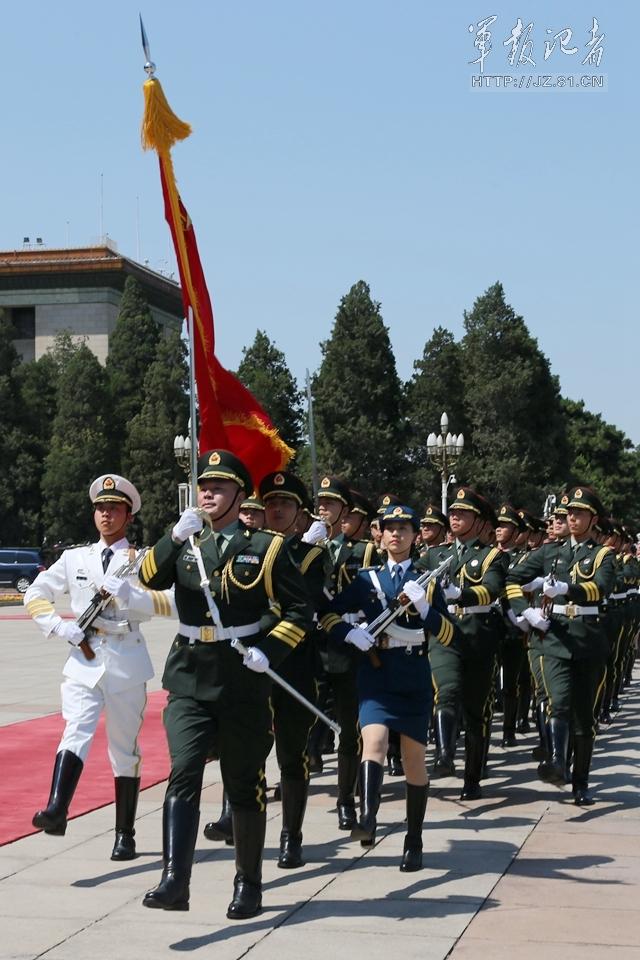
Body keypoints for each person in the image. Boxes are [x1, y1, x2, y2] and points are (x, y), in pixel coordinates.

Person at [139, 449, 312, 919]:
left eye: (219, 486)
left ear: (240, 495)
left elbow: (300, 612)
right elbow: (147, 576)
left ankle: (248, 884)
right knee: (184, 771)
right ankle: (176, 880)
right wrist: (172, 538)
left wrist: (270, 651)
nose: (208, 493)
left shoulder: (266, 548)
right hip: (190, 674)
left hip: (241, 679)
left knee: (243, 783)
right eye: (204, 486)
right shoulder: (186, 542)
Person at [24, 475, 175, 860]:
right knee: (75, 730)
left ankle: (125, 833)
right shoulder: (75, 558)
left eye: (114, 508)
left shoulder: (141, 560)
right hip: (84, 658)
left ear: (128, 515)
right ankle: (57, 809)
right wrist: (59, 625)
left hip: (126, 657)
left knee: (124, 749)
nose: (105, 514)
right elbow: (36, 593)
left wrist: (134, 596)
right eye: (100, 508)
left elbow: (172, 603)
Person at [320, 504, 454, 871]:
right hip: (375, 673)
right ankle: (368, 817)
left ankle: (414, 839)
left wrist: (427, 609)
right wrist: (351, 633)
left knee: (413, 762)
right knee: (373, 741)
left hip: (411, 674)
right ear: (380, 535)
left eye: (404, 528)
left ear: (414, 536)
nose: (396, 534)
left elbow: (448, 633)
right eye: (390, 528)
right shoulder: (366, 579)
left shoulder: (427, 580)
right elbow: (329, 612)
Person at [506, 485, 616, 804]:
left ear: (593, 518)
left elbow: (601, 589)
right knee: (558, 701)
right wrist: (523, 611)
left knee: (584, 718)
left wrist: (568, 588)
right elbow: (512, 579)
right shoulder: (549, 552)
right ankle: (556, 761)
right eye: (569, 513)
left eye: (579, 513)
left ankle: (580, 781)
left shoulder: (602, 555)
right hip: (553, 638)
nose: (573, 518)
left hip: (588, 639)